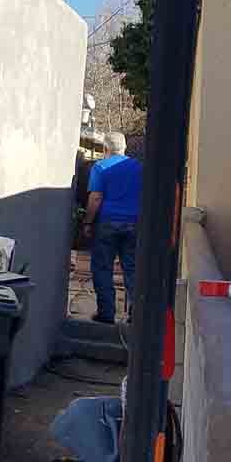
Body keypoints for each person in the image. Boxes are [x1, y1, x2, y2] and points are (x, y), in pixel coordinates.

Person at [83, 132, 142, 323]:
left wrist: (88, 222)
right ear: (125, 148)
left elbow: (96, 197)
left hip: (107, 223)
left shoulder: (100, 166)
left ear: (105, 148)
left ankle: (106, 313)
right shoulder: (139, 167)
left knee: (102, 268)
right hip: (134, 223)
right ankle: (136, 315)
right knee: (132, 269)